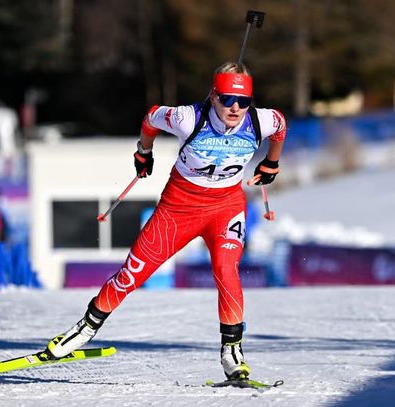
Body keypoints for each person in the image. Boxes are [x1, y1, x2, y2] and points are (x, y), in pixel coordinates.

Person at [46, 62, 286, 380]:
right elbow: (151, 117)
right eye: (228, 99)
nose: (236, 108)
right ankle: (86, 327)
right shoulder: (188, 118)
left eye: (243, 101)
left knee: (227, 270)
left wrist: (271, 163)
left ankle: (232, 351)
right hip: (178, 210)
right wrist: (144, 152)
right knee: (133, 273)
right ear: (214, 96)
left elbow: (280, 127)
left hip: (225, 208)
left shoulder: (261, 120)